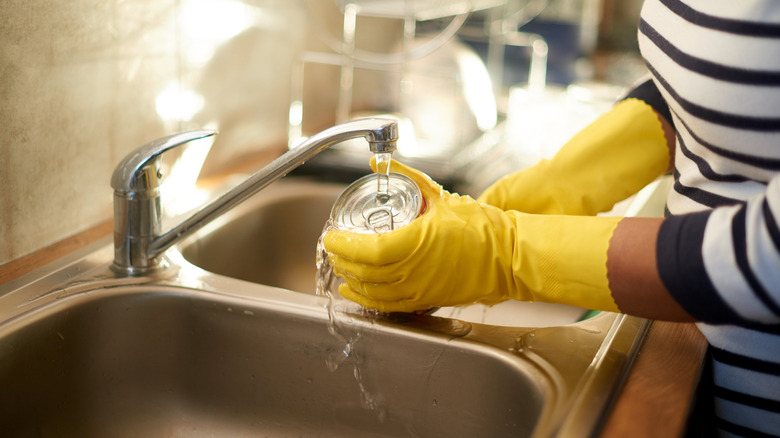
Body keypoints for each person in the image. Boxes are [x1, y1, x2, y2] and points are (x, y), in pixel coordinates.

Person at [323, 1, 780, 436]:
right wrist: (569, 177)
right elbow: (731, 79)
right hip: (710, 363)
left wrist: (510, 256)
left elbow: (766, 258)